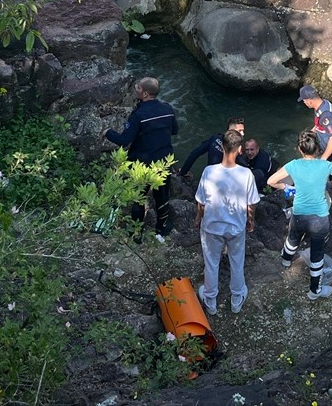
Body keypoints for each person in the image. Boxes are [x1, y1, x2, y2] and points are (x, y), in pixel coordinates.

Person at [268, 130, 332, 300]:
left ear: (300, 149)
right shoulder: (325, 166)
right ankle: (315, 291)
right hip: (320, 217)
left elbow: (271, 181)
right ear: (318, 149)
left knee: (293, 238)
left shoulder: (293, 165)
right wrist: (328, 185)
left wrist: (287, 187)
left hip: (299, 213)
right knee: (317, 253)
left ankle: (286, 260)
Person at [195, 129, 261, 315]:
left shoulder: (209, 171)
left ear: (222, 147)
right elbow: (251, 204)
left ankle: (210, 300)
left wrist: (198, 218)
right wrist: (250, 221)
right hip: (236, 226)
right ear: (240, 150)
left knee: (211, 262)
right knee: (237, 261)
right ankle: (237, 298)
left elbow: (201, 202)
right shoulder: (246, 174)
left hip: (212, 226)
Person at [104, 77, 179, 237]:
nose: (135, 89)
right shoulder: (168, 108)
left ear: (145, 94)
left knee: (139, 198)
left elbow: (124, 140)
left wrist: (108, 132)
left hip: (142, 164)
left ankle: (136, 233)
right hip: (163, 161)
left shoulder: (138, 115)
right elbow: (174, 130)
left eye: (138, 87)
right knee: (162, 197)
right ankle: (161, 231)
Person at [179, 117, 245, 178]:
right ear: (231, 131)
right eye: (239, 131)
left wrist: (183, 171)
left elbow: (195, 153)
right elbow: (243, 169)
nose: (243, 133)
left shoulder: (215, 138)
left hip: (209, 176)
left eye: (243, 130)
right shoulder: (235, 149)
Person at [298, 84, 332, 164]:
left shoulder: (326, 116)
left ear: (309, 101)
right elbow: (319, 124)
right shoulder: (321, 104)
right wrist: (310, 134)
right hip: (323, 147)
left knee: (329, 171)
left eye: (304, 101)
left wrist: (323, 160)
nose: (304, 103)